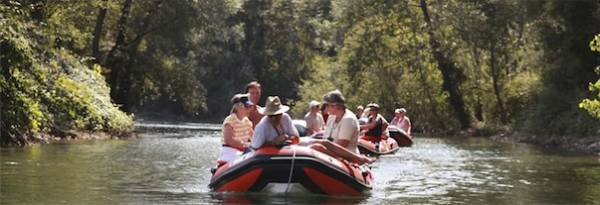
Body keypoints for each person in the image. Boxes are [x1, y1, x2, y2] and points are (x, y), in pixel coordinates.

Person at [311, 90, 374, 164]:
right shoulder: (331, 117)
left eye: (327, 105)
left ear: (336, 106)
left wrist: (321, 147)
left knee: (317, 147)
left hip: (346, 159)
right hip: (331, 156)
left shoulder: (348, 119)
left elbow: (342, 145)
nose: (325, 108)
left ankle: (360, 159)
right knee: (317, 146)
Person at [217, 93, 254, 163]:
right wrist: (244, 146)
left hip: (242, 151)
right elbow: (229, 140)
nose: (249, 109)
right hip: (229, 151)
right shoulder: (230, 120)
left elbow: (253, 137)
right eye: (247, 106)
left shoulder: (247, 122)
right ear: (238, 107)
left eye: (250, 106)